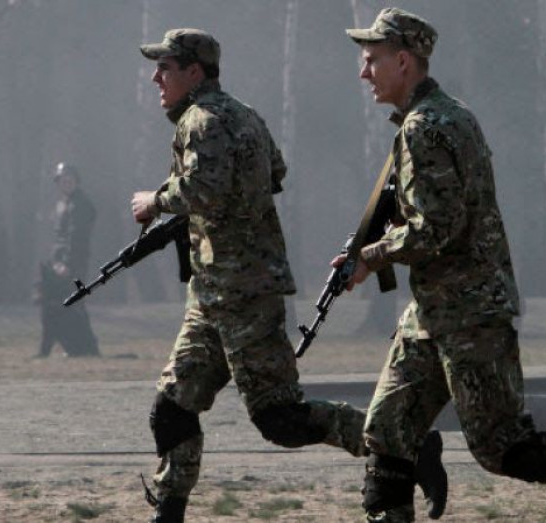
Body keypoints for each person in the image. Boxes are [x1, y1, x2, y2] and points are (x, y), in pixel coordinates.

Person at [342, 8, 546, 523]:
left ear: (403, 62)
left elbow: (437, 228)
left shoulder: (426, 129)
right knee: (386, 429)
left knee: (505, 449)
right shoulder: (446, 116)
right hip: (433, 313)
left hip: (470, 315)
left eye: (372, 60)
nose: (364, 72)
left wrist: (371, 256)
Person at [130, 28, 446, 523]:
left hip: (242, 295)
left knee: (280, 417)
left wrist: (156, 199)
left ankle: (405, 445)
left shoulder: (201, 119)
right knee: (172, 405)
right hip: (215, 295)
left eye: (165, 68)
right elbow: (274, 173)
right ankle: (169, 512)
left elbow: (205, 189)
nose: (156, 79)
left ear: (194, 73)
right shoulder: (245, 116)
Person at [36, 162, 100, 358]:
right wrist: (56, 260)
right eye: (62, 181)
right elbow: (59, 237)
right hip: (61, 261)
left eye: (69, 180)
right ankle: (80, 347)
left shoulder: (80, 205)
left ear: (76, 181)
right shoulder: (64, 204)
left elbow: (76, 238)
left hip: (73, 263)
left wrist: (66, 263)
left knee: (75, 303)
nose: (66, 184)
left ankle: (87, 347)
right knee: (64, 304)